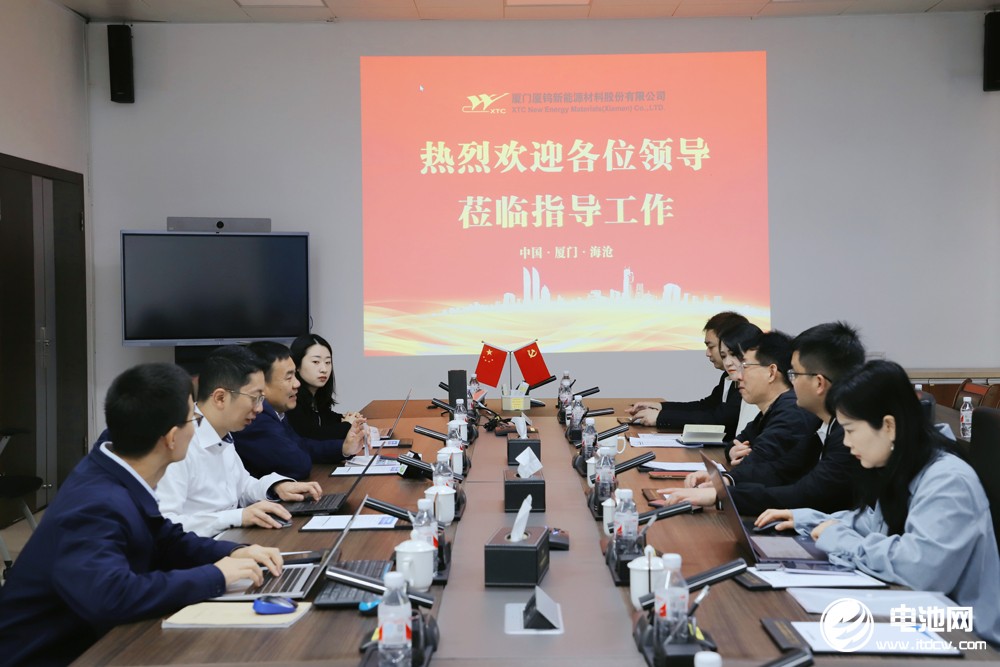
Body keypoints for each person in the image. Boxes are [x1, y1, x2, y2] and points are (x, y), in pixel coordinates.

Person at [0, 363, 283, 666]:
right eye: (194, 419)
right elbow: (111, 596)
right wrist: (215, 576)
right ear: (171, 437)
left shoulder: (116, 469)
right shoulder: (95, 503)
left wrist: (234, 552)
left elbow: (165, 538)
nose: (198, 428)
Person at [757, 360, 1000, 645]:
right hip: (925, 615)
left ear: (888, 426)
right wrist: (808, 519)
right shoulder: (907, 463)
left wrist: (840, 540)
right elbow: (875, 524)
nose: (847, 443)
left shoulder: (948, 481)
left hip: (966, 636)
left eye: (850, 430)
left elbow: (919, 570)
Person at [661, 322, 865, 515]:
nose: (791, 383)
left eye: (795, 374)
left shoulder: (845, 434)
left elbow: (805, 493)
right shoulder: (822, 423)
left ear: (819, 383)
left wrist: (721, 495)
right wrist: (727, 480)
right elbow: (780, 470)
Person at [158, 346, 323, 537]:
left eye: (262, 399)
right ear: (220, 398)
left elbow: (242, 487)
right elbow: (166, 524)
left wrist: (276, 487)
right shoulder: (178, 444)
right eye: (255, 398)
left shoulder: (223, 433)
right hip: (202, 548)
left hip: (230, 539)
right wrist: (237, 517)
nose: (260, 409)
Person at [233, 341, 366, 479]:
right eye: (289, 377)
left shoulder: (276, 411)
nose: (297, 384)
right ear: (260, 383)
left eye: (328, 362)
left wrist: (344, 448)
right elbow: (297, 465)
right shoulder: (256, 418)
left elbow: (301, 444)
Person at [628, 311, 750, 439]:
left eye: (711, 347)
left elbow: (718, 419)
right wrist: (661, 407)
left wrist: (661, 417)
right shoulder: (727, 376)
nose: (707, 353)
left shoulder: (747, 379)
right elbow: (705, 406)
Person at [286, 333, 364, 441]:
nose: (324, 369)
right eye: (316, 362)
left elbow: (326, 417)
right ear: (297, 365)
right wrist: (347, 425)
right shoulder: (291, 398)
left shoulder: (316, 396)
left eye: (328, 362)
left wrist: (349, 418)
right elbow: (311, 435)